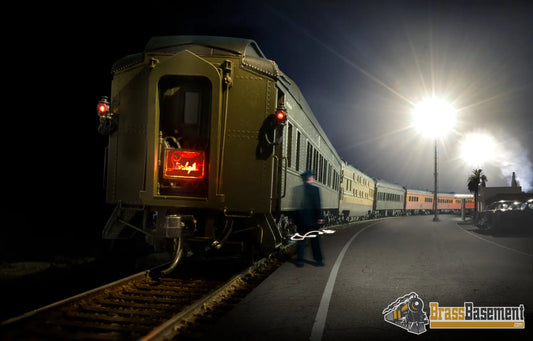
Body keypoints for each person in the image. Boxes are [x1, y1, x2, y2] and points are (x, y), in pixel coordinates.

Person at [295, 170, 325, 267]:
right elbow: (317, 204)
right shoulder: (315, 189)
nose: (313, 179)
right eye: (312, 177)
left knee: (301, 241)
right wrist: (320, 217)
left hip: (301, 220)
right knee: (315, 242)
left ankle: (300, 261)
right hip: (312, 221)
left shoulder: (297, 189)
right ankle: (318, 261)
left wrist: (293, 218)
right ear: (310, 178)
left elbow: (294, 205)